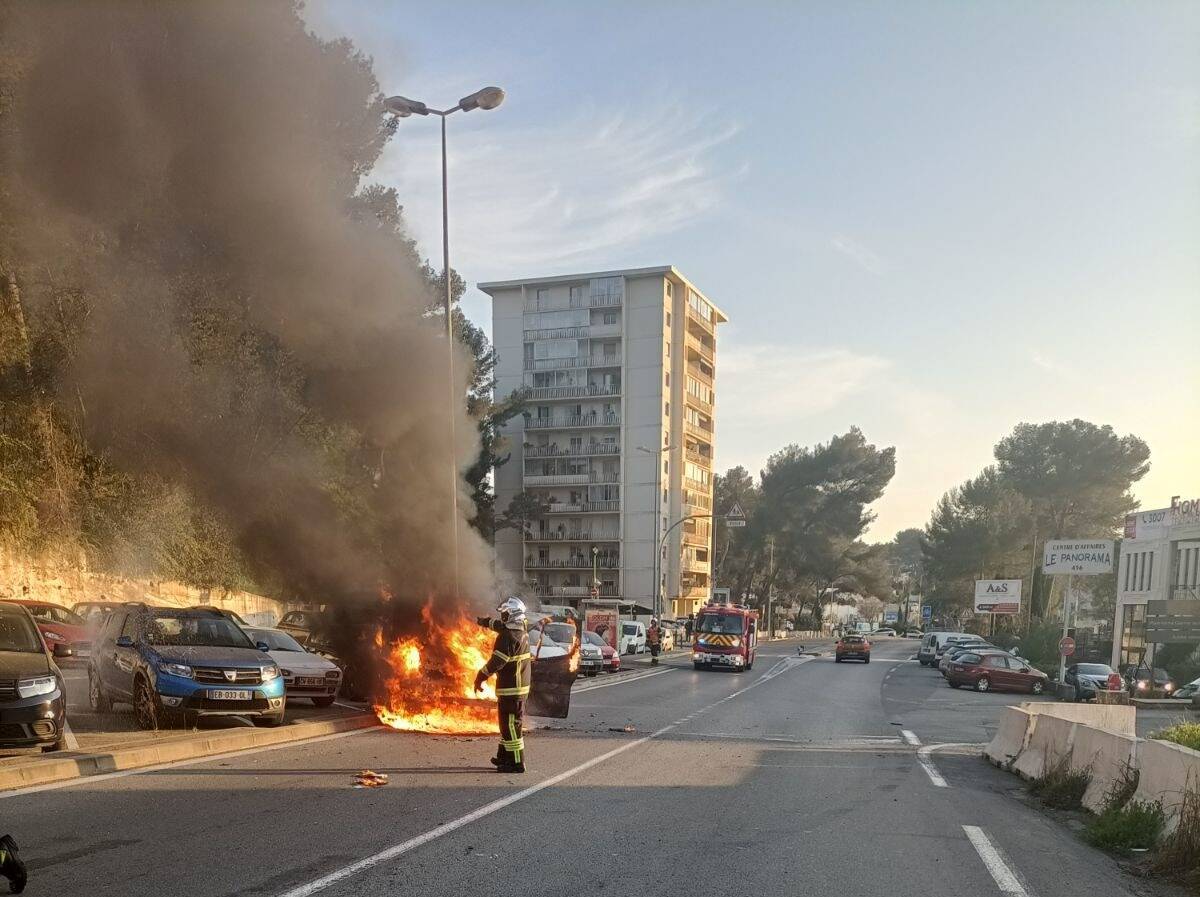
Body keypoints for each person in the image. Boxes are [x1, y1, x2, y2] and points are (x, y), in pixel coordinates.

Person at [474, 597, 532, 774]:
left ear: (512, 615)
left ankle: (516, 763)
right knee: (506, 726)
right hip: (515, 689)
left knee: (512, 727)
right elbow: (501, 626)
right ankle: (504, 756)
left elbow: (497, 662)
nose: (503, 617)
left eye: (505, 614)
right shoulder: (520, 630)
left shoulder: (508, 637)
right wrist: (486, 622)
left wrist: (480, 677)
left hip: (512, 690)